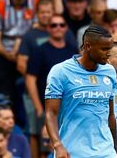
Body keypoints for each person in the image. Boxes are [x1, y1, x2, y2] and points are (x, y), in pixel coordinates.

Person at [44, 25, 117, 157]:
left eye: (110, 49)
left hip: (106, 151)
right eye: (104, 49)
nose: (108, 53)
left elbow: (110, 115)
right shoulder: (60, 71)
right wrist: (57, 145)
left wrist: (116, 151)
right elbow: (51, 113)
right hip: (72, 152)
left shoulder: (110, 71)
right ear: (88, 46)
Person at [25, 15, 78, 157]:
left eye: (61, 24)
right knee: (44, 143)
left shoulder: (73, 52)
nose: (58, 28)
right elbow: (30, 79)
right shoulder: (39, 50)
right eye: (54, 25)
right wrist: (38, 107)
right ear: (48, 28)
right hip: (46, 104)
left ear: (66, 28)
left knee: (67, 142)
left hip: (69, 107)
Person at [0, 0, 36, 105]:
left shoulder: (34, 3)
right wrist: (9, 55)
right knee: (3, 86)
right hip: (3, 52)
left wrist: (19, 48)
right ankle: (4, 114)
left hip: (26, 52)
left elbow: (34, 31)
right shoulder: (0, 5)